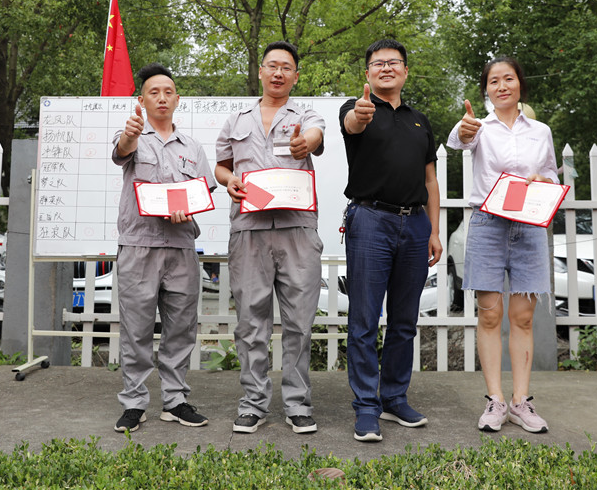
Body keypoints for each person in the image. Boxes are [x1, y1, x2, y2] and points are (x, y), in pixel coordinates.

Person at [214, 40, 325, 435]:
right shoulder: (236, 119)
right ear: (261, 71)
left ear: (295, 76)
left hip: (297, 228)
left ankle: (298, 405)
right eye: (272, 66)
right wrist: (229, 180)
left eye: (286, 67)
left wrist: (305, 142)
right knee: (250, 322)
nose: (278, 73)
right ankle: (253, 403)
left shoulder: (306, 114)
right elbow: (221, 166)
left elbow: (314, 136)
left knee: (299, 323)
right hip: (249, 230)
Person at [446, 56, 558, 434]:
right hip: (487, 224)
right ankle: (495, 400)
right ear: (486, 90)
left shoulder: (540, 131)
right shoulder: (479, 127)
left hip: (529, 226)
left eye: (508, 79)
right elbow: (457, 140)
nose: (502, 86)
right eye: (494, 81)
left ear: (519, 83)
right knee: (490, 315)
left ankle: (521, 402)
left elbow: (551, 174)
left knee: (523, 317)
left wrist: (543, 181)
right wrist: (464, 128)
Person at [339, 38, 443, 442]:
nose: (386, 68)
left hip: (415, 225)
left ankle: (394, 398)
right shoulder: (356, 107)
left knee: (405, 320)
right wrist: (360, 114)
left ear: (405, 71)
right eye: (378, 63)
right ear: (367, 73)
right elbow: (353, 124)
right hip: (370, 220)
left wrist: (434, 230)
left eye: (394, 62)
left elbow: (430, 180)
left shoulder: (420, 121)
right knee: (365, 320)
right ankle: (366, 406)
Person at [112, 63, 217, 433]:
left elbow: (202, 192)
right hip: (139, 245)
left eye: (168, 92)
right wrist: (130, 135)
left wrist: (188, 207)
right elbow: (121, 151)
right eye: (153, 92)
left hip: (181, 246)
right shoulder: (132, 135)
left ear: (177, 99)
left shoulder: (192, 147)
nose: (161, 98)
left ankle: (175, 401)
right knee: (136, 329)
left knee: (181, 329)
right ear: (141, 100)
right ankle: (134, 404)